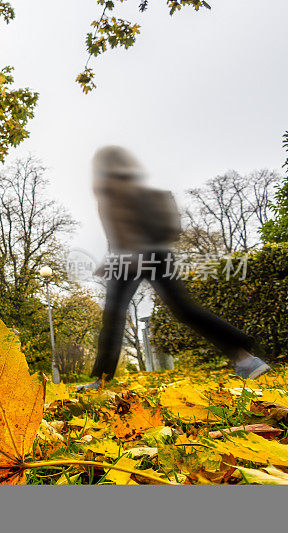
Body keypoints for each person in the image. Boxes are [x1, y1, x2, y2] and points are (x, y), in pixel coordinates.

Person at [78, 146, 269, 390]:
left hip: (130, 258)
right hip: (156, 254)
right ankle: (247, 359)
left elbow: (121, 234)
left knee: (113, 318)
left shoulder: (109, 193)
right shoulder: (134, 191)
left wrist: (123, 258)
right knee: (185, 310)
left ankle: (102, 381)